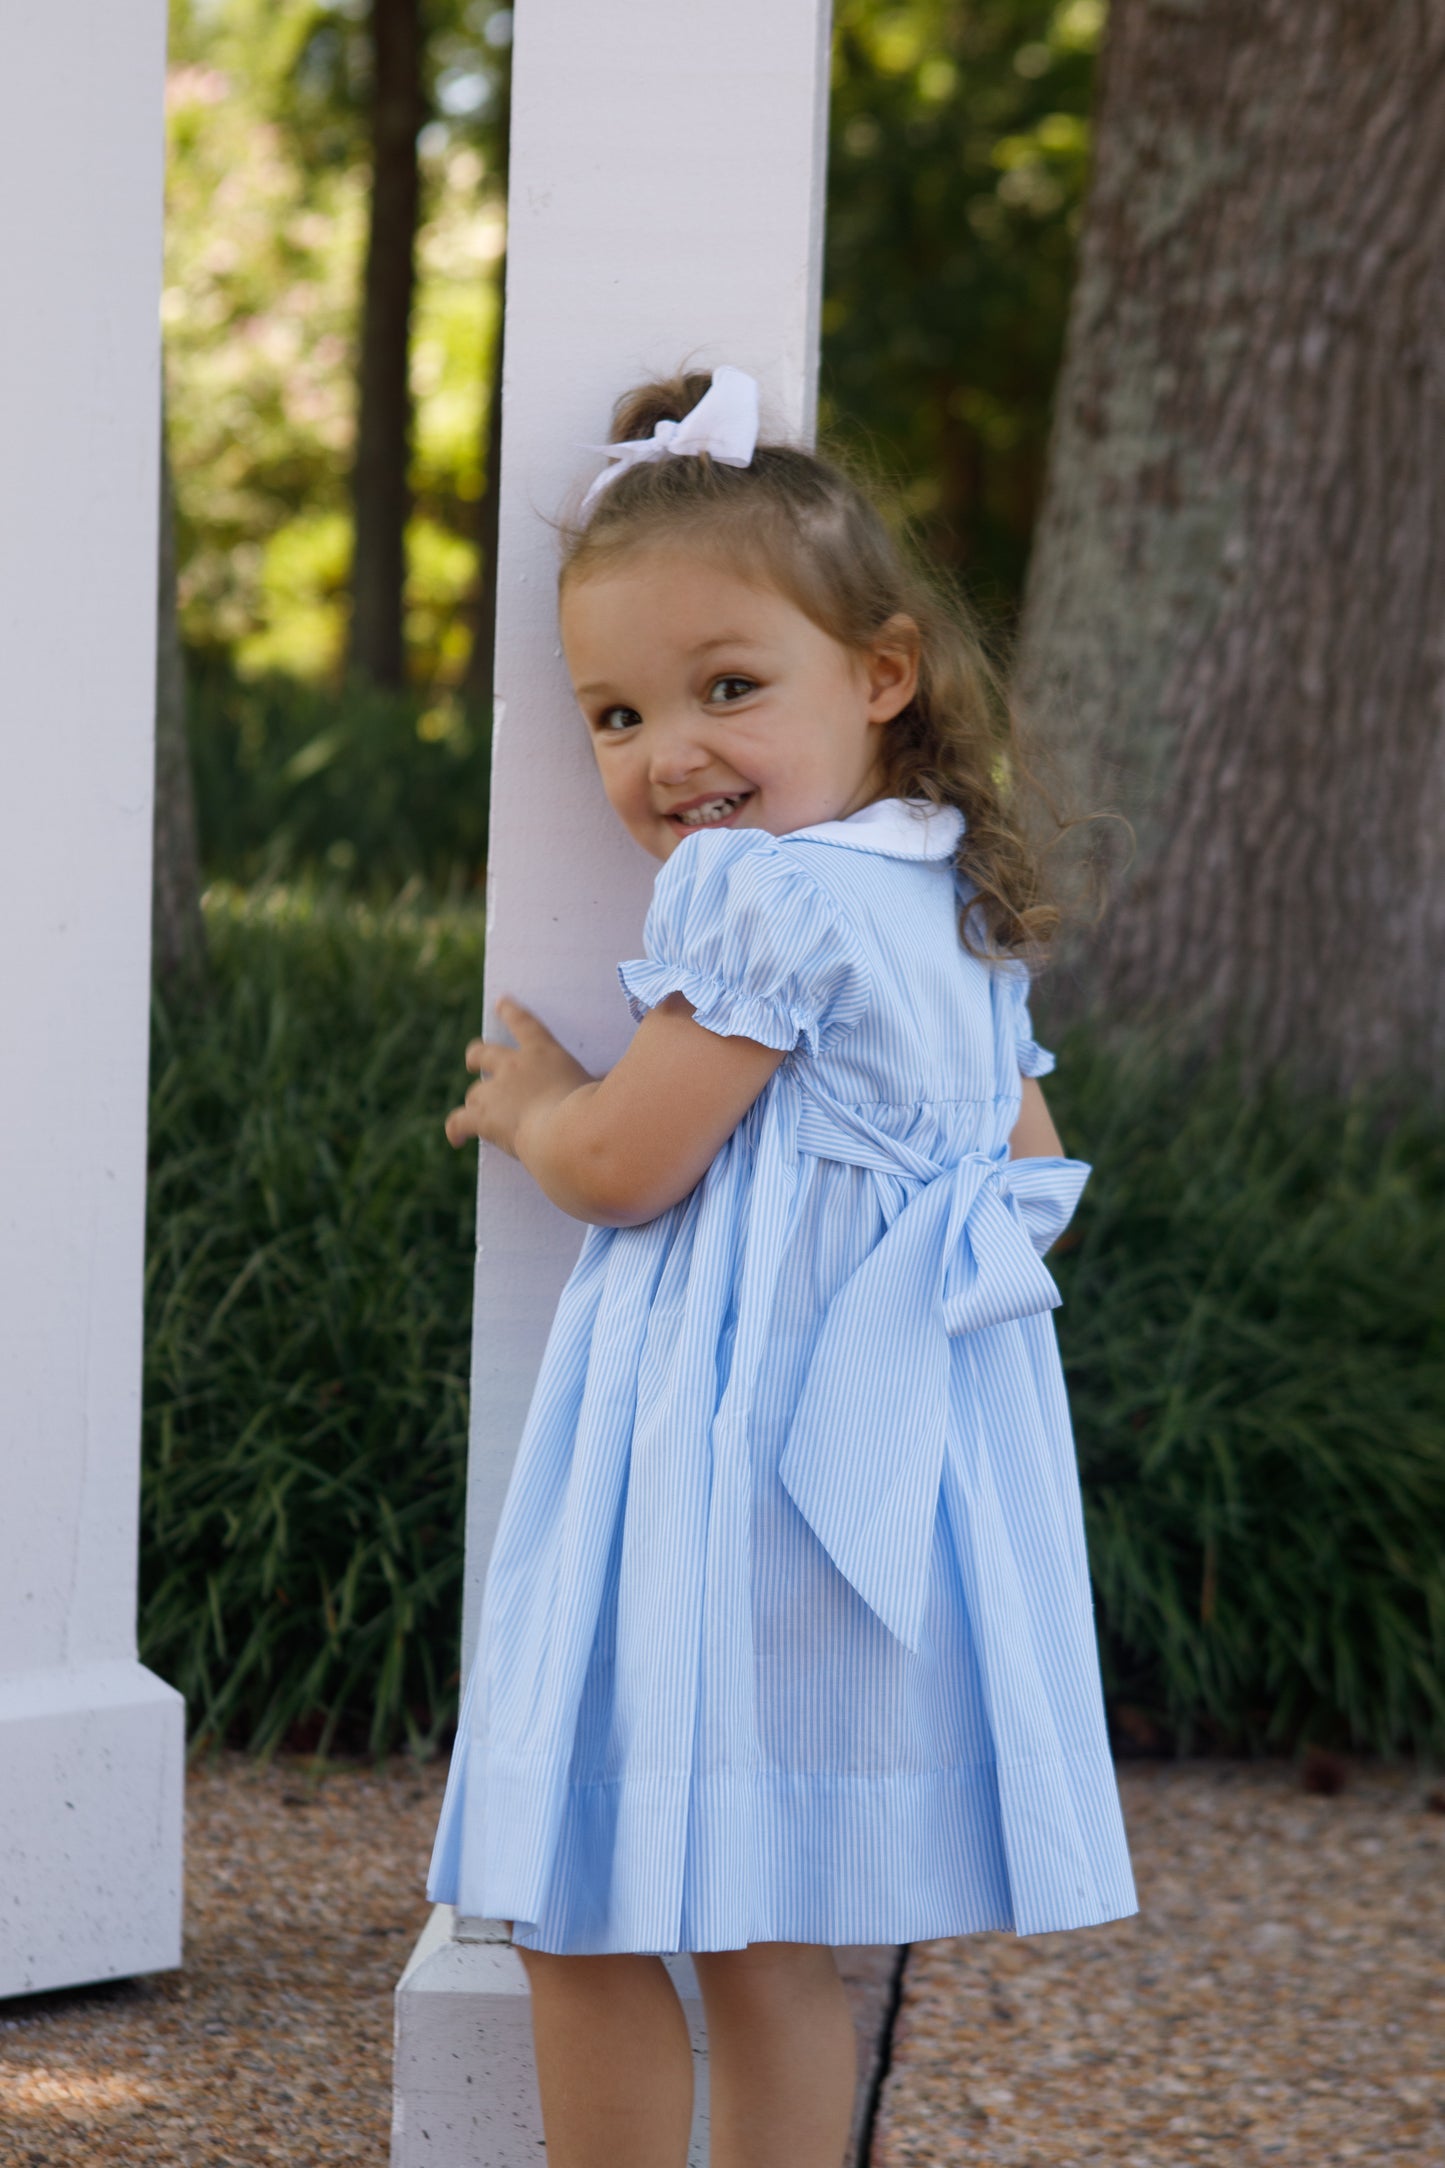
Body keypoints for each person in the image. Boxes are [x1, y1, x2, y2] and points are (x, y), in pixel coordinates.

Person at [426, 364, 1137, 2168]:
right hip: (865, 1473)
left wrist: (536, 1105)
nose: (667, 751)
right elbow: (1028, 1174)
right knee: (768, 1937)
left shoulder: (763, 893)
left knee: (579, 1902)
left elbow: (625, 1168)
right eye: (615, 713)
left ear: (880, 676)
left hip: (712, 1470)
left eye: (726, 689)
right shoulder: (949, 905)